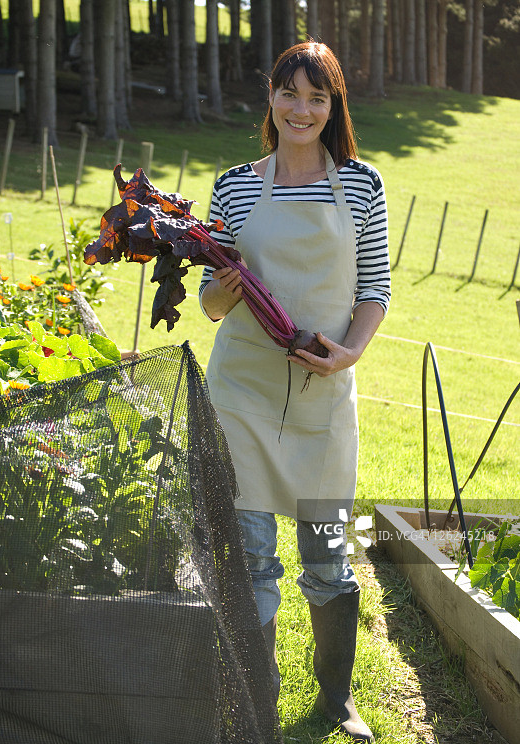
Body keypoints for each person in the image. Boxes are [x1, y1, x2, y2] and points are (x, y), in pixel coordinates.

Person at [199, 41, 390, 743]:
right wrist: (216, 293)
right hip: (242, 391)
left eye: (316, 97)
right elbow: (212, 304)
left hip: (322, 395)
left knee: (326, 554)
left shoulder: (362, 184)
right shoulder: (233, 184)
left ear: (332, 105)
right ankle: (258, 700)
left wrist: (350, 354)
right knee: (249, 556)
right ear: (270, 99)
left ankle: (335, 701)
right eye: (289, 94)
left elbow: (373, 290)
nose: (300, 109)